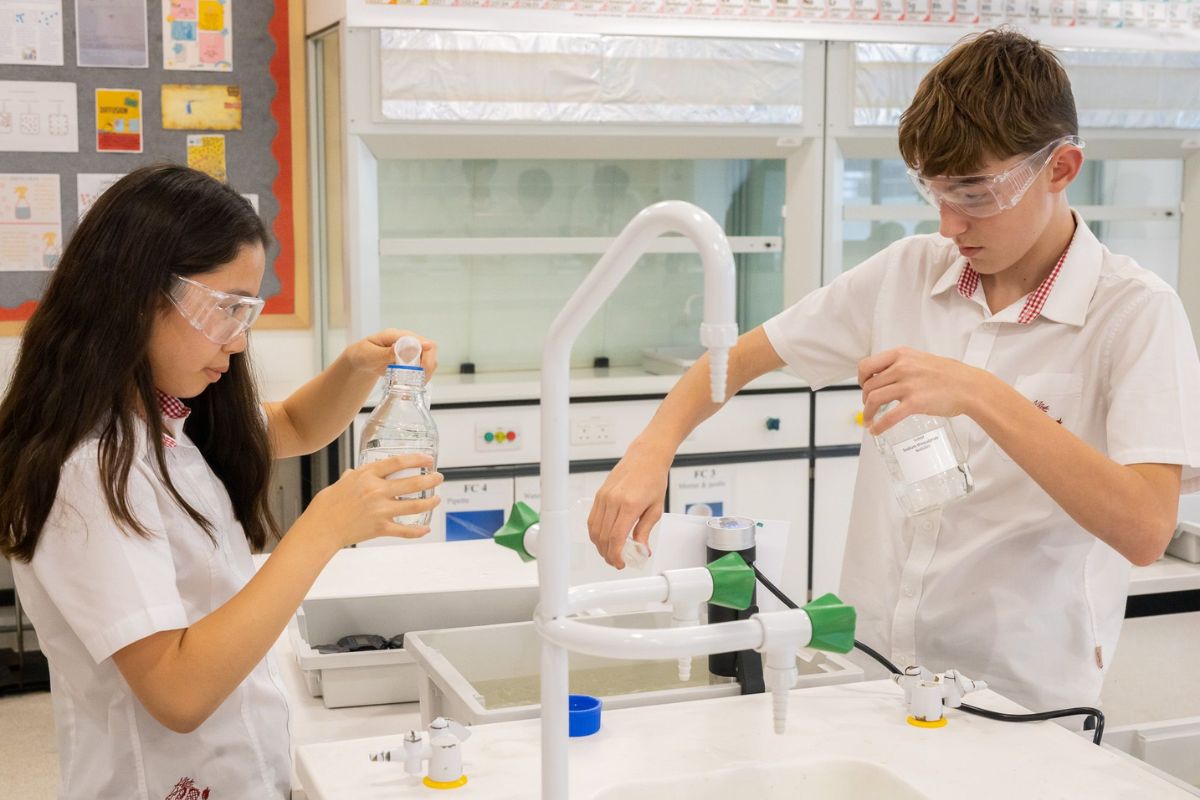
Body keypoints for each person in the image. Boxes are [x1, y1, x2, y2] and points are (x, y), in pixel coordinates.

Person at [587, 29, 1200, 716]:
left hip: (1021, 705)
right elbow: (737, 359)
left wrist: (982, 394)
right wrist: (652, 448)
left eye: (974, 194)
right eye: (935, 193)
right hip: (869, 678)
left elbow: (1146, 529)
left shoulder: (1135, 313)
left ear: (1061, 168)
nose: (948, 225)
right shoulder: (907, 274)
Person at [0, 165, 444, 799]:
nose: (238, 342)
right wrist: (321, 529)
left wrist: (357, 367)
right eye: (226, 309)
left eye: (249, 313)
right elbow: (177, 692)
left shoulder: (165, 416)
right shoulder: (87, 468)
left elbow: (292, 424)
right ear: (136, 296)